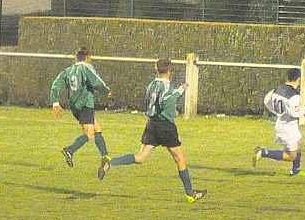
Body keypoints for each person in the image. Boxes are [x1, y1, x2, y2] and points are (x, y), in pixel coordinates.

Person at [101, 58, 207, 203]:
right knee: (180, 159)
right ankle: (190, 194)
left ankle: (110, 163)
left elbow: (149, 102)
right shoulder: (167, 86)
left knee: (140, 157)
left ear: (156, 70)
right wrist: (180, 91)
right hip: (166, 126)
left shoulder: (151, 85)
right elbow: (165, 100)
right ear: (169, 71)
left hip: (152, 124)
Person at [50, 47, 113, 179]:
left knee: (97, 129)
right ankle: (69, 150)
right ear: (88, 57)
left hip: (75, 106)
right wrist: (106, 90)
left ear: (76, 58)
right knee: (89, 134)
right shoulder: (86, 67)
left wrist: (55, 102)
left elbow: (56, 84)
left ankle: (105, 156)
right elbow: (95, 81)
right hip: (85, 105)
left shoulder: (68, 70)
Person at [252, 68, 305, 176]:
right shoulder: (294, 96)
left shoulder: (277, 89)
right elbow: (294, 112)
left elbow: (267, 101)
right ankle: (263, 152)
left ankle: (296, 170)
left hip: (283, 123)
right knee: (291, 156)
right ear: (299, 79)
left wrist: (277, 112)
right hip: (288, 127)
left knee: (299, 143)